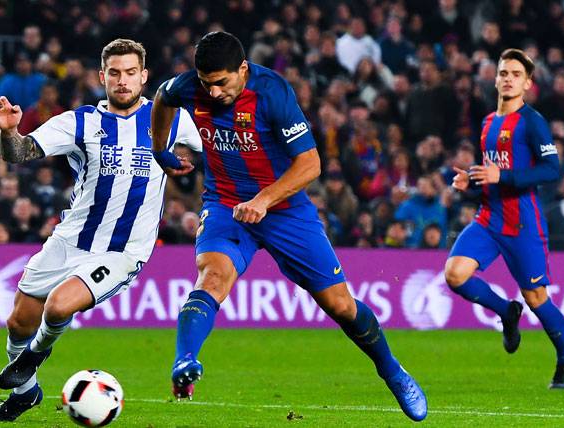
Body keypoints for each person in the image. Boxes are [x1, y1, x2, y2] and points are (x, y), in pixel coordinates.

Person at [150, 31, 426, 421]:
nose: (213, 92)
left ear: (242, 69)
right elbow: (162, 98)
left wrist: (263, 200)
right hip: (226, 205)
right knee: (212, 277)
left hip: (284, 208)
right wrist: (159, 149)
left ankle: (392, 371)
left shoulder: (272, 92)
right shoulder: (189, 87)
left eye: (222, 83)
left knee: (340, 305)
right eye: (206, 83)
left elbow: (311, 164)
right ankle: (185, 362)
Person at [0, 38, 201, 422]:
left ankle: (36, 354)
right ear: (102, 77)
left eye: (130, 73)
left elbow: (216, 146)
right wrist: (8, 132)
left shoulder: (173, 119)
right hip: (71, 239)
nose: (123, 81)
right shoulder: (79, 122)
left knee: (58, 305)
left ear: (144, 76)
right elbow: (19, 153)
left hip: (122, 251)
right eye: (115, 73)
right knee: (19, 320)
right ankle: (25, 392)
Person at [446, 49, 564, 389]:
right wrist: (471, 181)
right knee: (454, 274)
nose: (508, 79)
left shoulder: (532, 122)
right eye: (504, 73)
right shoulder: (487, 123)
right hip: (488, 218)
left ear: (528, 83)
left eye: (516, 74)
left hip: (522, 224)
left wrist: (501, 176)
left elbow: (551, 169)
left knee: (536, 298)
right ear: (495, 79)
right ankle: (506, 312)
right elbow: (491, 172)